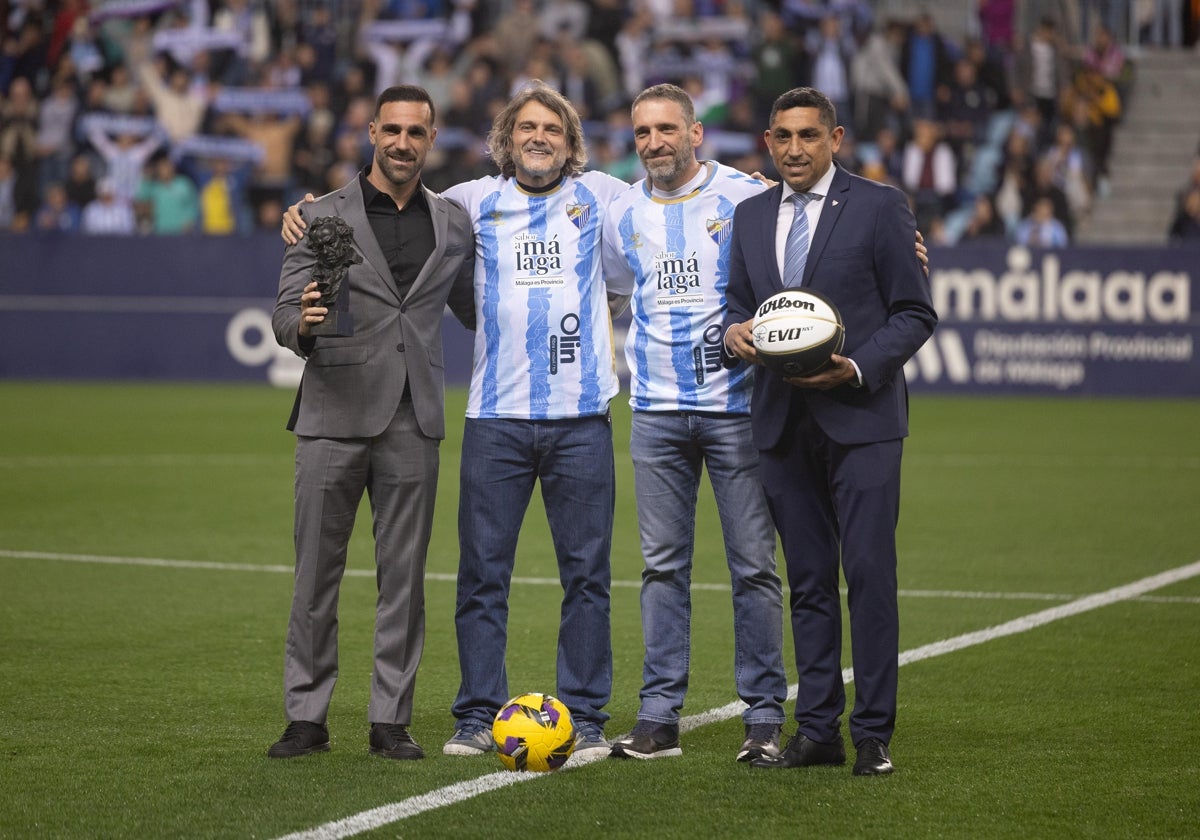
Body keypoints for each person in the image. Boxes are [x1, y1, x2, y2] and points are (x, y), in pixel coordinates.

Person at [281, 81, 630, 759]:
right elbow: (301, 287)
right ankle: (472, 716)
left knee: (583, 576)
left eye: (552, 129)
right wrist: (301, 220)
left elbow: (684, 190)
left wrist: (744, 184)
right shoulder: (468, 204)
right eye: (526, 126)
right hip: (488, 416)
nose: (539, 137)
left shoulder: (597, 198)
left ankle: (583, 716)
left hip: (575, 415)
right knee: (478, 576)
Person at [722, 87, 937, 777]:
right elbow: (734, 307)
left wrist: (857, 367)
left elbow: (914, 312)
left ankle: (873, 733)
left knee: (869, 575)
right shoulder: (750, 216)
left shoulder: (879, 206)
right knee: (809, 582)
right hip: (782, 422)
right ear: (768, 141)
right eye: (782, 137)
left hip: (863, 420)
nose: (794, 149)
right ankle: (818, 731)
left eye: (808, 136)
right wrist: (731, 334)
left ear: (836, 139)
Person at [266, 84, 476, 761]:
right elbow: (283, 317)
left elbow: (476, 306)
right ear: (369, 132)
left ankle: (390, 718)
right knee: (314, 578)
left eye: (416, 132)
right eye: (392, 129)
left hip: (414, 417)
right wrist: (304, 323)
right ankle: (306, 715)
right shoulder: (319, 215)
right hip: (331, 412)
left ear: (431, 138)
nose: (403, 143)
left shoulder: (453, 223)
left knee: (404, 579)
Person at [599, 83, 789, 762]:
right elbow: (619, 286)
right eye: (643, 132)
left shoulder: (745, 197)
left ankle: (764, 716)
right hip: (654, 412)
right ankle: (658, 718)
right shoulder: (623, 214)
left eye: (666, 130)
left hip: (737, 409)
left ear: (696, 133)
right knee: (661, 569)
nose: (654, 143)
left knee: (754, 569)